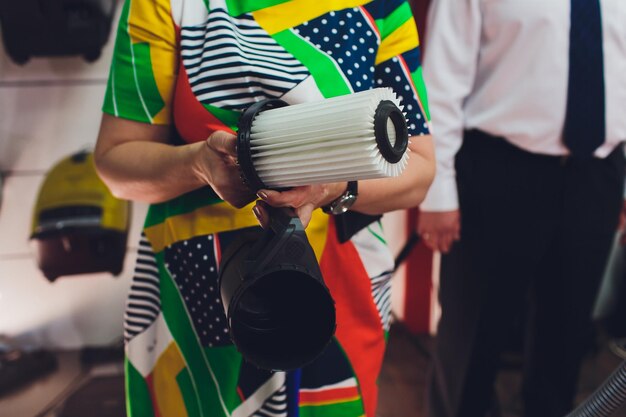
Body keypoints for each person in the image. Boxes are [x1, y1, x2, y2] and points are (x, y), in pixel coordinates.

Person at [94, 0, 435, 416]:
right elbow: (115, 161)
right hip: (199, 279)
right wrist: (197, 164)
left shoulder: (382, 6)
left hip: (341, 277)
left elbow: (418, 166)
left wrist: (331, 185)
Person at [418, 0, 626, 416]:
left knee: (564, 346)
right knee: (470, 345)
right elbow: (441, 80)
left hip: (596, 175)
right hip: (498, 170)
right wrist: (437, 192)